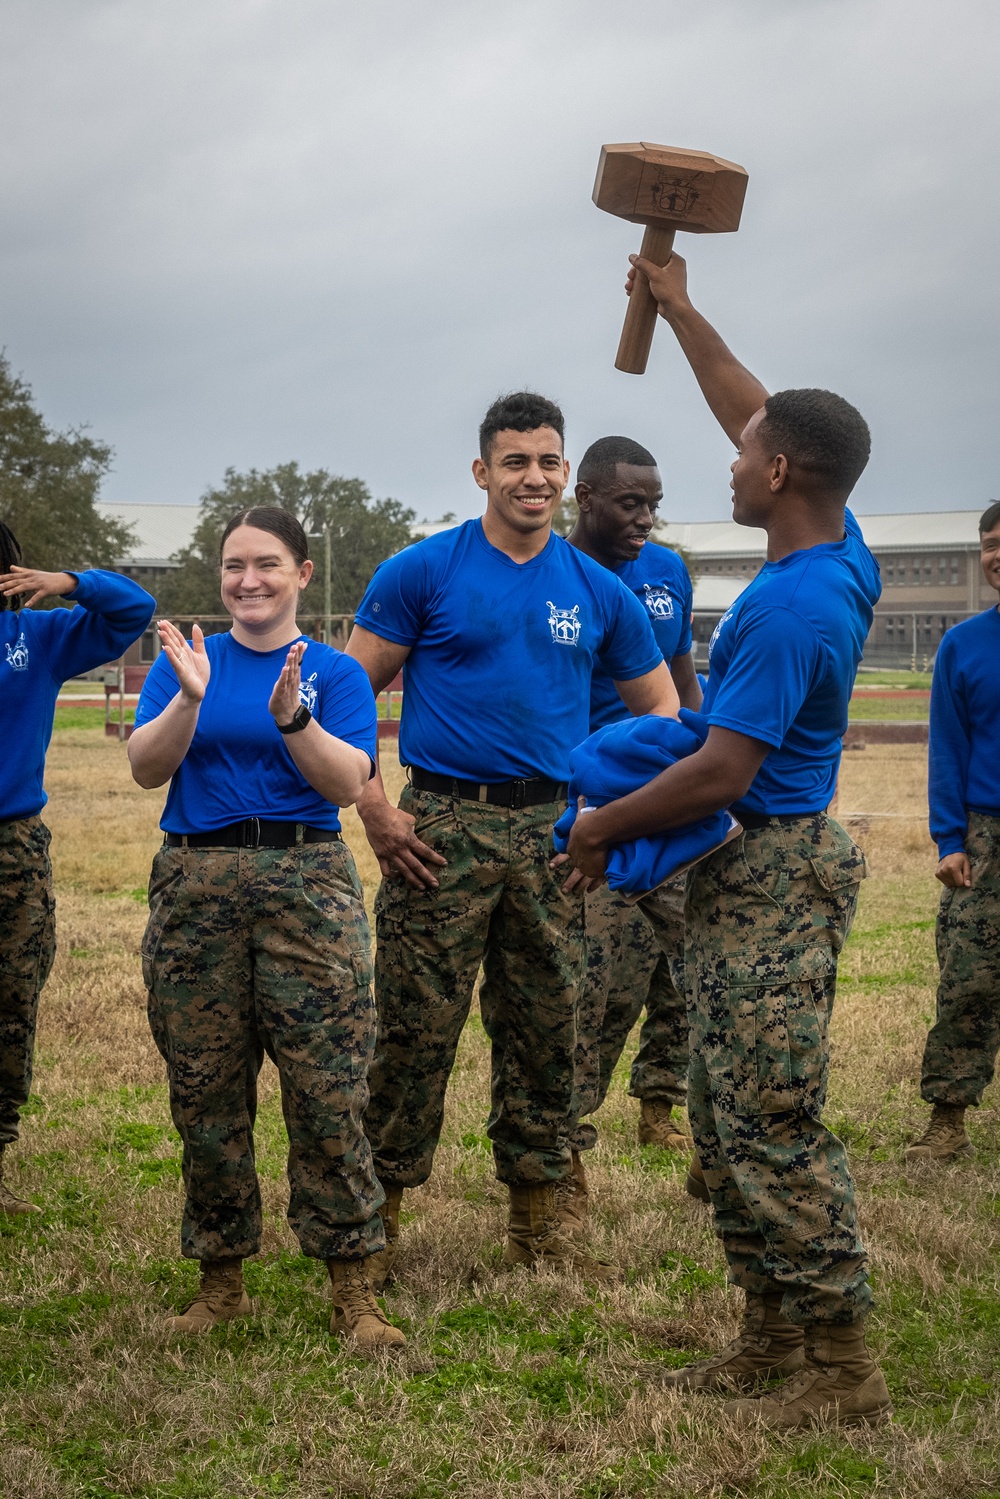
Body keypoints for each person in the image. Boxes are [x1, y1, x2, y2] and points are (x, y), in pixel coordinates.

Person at [564, 253, 892, 1428]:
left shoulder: (794, 606)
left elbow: (718, 769)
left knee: (770, 1117)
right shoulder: (831, 542)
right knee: (720, 1106)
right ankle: (768, 1331)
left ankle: (841, 1361)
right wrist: (680, 306)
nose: (730, 458)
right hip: (748, 871)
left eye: (746, 454)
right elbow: (747, 402)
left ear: (781, 473)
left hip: (773, 870)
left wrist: (598, 825)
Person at [345, 392, 678, 1285]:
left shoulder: (599, 590)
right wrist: (377, 811)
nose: (534, 476)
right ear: (482, 471)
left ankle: (536, 1222)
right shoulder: (422, 571)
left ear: (566, 475)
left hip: (554, 835)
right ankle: (377, 1225)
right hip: (441, 828)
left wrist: (605, 815)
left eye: (549, 461)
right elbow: (346, 701)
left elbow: (664, 713)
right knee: (414, 1033)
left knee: (547, 1029)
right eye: (516, 461)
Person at [129, 506, 404, 1351]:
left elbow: (348, 781)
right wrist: (189, 696)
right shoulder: (185, 663)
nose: (249, 579)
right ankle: (221, 1280)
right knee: (205, 1089)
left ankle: (353, 1288)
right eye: (234, 565)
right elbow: (145, 768)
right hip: (196, 881)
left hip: (305, 884)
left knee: (328, 1088)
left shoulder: (334, 672)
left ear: (303, 574)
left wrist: (294, 717)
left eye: (268, 564)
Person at [563, 436, 701, 1214]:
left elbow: (680, 685)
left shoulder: (668, 572)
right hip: (591, 810)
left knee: (691, 964)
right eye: (629, 503)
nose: (645, 519)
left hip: (668, 798)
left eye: (653, 504)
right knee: (600, 988)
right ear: (584, 497)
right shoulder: (555, 575)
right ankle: (568, 1147)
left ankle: (663, 1103)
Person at [0, 528, 154, 1214]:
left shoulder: (38, 635)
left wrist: (70, 580)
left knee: (10, 1005)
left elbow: (134, 609)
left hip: (13, 848)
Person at [906, 501, 1000, 1163]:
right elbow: (948, 748)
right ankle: (947, 1123)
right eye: (990, 545)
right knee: (968, 979)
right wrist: (950, 840)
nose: (997, 556)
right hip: (985, 833)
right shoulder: (963, 645)